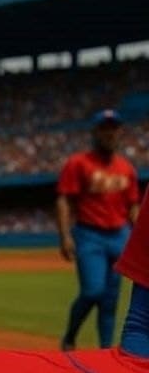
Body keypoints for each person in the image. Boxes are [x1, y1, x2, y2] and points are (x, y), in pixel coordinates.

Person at [57, 109, 140, 350]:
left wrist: (139, 235)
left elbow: (133, 206)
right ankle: (70, 335)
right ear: (94, 132)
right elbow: (64, 199)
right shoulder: (78, 163)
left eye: (114, 128)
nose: (109, 133)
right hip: (89, 234)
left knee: (110, 300)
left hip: (119, 235)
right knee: (93, 291)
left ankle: (105, 350)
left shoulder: (127, 168)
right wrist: (64, 236)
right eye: (104, 128)